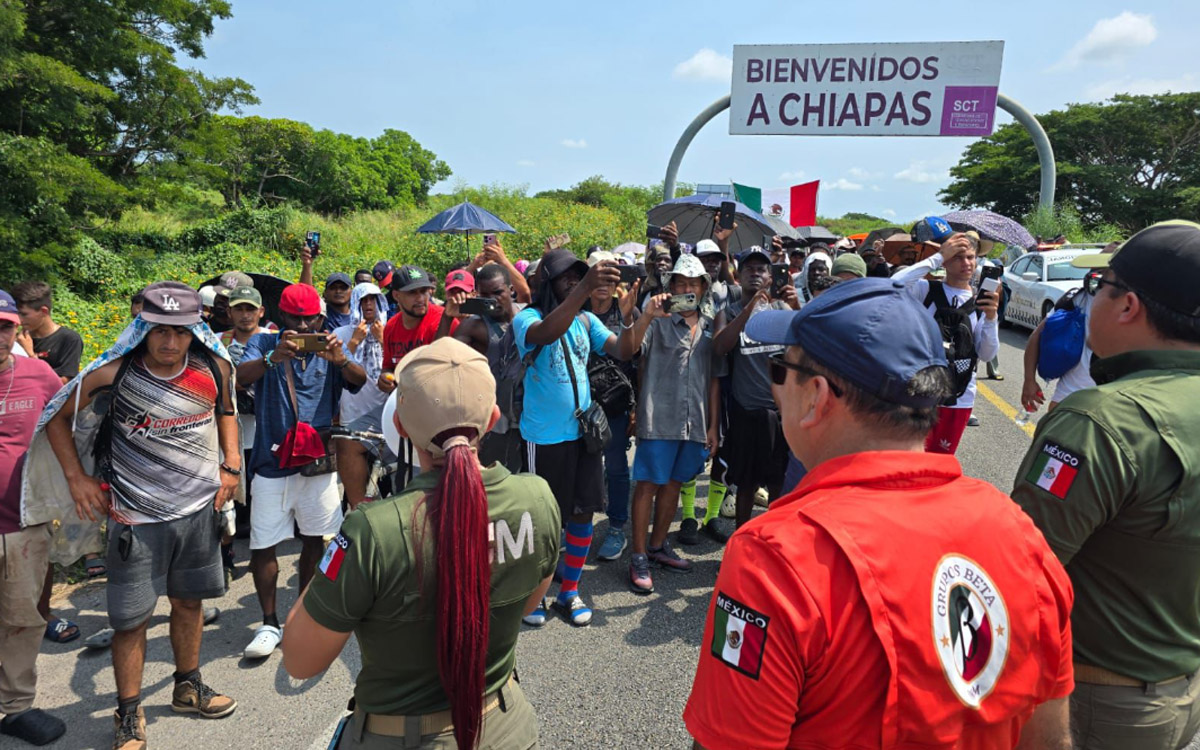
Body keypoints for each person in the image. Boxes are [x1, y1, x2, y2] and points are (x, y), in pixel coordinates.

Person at [685, 278, 1074, 749]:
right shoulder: (1018, 531)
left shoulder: (775, 556)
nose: (775, 385)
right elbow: (1049, 734)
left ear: (817, 397)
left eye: (779, 368)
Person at [281, 338, 559, 749]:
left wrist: (346, 542)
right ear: (493, 417)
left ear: (399, 426)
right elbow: (528, 603)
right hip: (506, 726)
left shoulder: (371, 531)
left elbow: (300, 661)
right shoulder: (538, 497)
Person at [1012, 221, 1200, 749]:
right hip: (1180, 685)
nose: (1091, 297)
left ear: (1128, 306)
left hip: (1094, 697)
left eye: (1100, 284)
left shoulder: (1099, 419)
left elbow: (1022, 572)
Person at [43, 282, 241, 750]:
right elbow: (56, 417)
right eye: (159, 331)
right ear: (142, 327)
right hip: (135, 519)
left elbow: (226, 412)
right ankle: (129, 712)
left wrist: (231, 463)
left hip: (198, 511)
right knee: (131, 621)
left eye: (181, 331)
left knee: (189, 603)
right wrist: (76, 478)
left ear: (196, 330)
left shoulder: (214, 367)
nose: (170, 342)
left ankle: (187, 687)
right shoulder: (113, 373)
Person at [236, 283, 367, 660]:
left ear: (321, 317)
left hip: (317, 464)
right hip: (271, 460)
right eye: (296, 318)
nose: (305, 325)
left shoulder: (330, 346)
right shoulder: (264, 343)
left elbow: (359, 380)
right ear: (281, 317)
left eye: (311, 318)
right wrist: (273, 357)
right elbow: (240, 377)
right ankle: (268, 622)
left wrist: (340, 360)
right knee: (263, 543)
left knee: (315, 538)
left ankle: (302, 614)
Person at [513, 248, 643, 626]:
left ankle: (569, 591)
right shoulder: (528, 318)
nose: (575, 281)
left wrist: (644, 316)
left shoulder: (586, 320)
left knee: (582, 511)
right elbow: (546, 333)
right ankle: (535, 595)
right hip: (543, 438)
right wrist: (585, 288)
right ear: (547, 282)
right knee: (544, 519)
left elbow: (623, 349)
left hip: (583, 433)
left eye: (579, 275)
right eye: (567, 277)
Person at [626, 254, 722, 594]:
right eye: (680, 283)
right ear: (671, 286)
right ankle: (638, 555)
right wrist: (645, 314)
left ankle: (657, 546)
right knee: (648, 485)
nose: (685, 289)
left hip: (695, 421)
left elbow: (713, 379)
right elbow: (631, 349)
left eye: (692, 283)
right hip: (659, 416)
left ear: (704, 288)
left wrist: (713, 426)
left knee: (674, 484)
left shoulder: (710, 325)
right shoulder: (658, 320)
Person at [0, 290, 68, 747]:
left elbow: (69, 426)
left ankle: (16, 707)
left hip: (23, 523)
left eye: (4, 326)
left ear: (17, 328)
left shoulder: (38, 374)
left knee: (22, 619)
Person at [11, 281, 88, 642]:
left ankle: (43, 614)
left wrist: (28, 355)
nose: (14, 327)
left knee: (38, 541)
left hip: (40, 456)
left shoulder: (63, 341)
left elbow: (61, 397)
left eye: (15, 319)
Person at [712, 248, 798, 530]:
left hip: (779, 413)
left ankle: (772, 537)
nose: (755, 274)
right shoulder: (728, 312)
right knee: (746, 484)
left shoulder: (781, 310)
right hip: (746, 411)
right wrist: (749, 309)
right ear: (738, 275)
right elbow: (719, 347)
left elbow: (808, 343)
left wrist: (797, 306)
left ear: (771, 277)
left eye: (761, 269)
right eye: (749, 268)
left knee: (778, 483)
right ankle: (741, 537)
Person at [891, 233, 1000, 454]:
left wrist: (991, 318)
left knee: (940, 461)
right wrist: (938, 257)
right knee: (907, 459)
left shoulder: (981, 303)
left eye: (971, 257)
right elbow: (894, 283)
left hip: (959, 398)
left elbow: (987, 354)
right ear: (945, 261)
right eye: (957, 257)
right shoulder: (925, 290)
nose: (966, 263)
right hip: (918, 393)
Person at [582, 252, 639, 562]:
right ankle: (574, 524)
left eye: (610, 276)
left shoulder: (627, 309)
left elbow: (638, 360)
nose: (603, 283)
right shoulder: (574, 310)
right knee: (581, 466)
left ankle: (616, 527)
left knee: (616, 467)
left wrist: (635, 409)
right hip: (579, 405)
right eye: (597, 275)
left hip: (615, 405)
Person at [450, 264, 526, 473]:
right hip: (495, 421)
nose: (492, 300)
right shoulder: (474, 325)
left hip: (530, 416)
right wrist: (448, 316)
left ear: (511, 290)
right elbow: (444, 356)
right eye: (485, 295)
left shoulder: (527, 316)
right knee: (496, 478)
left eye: (498, 292)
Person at [217, 286, 272, 578]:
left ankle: (261, 554)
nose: (245, 314)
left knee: (262, 493)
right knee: (227, 494)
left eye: (250, 308)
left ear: (261, 312)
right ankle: (225, 556)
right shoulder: (216, 341)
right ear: (230, 312)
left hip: (265, 427)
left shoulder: (273, 338)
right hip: (229, 429)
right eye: (239, 308)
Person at [333, 282, 392, 509]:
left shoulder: (391, 329)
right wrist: (355, 341)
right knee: (356, 487)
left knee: (386, 483)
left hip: (384, 413)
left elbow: (398, 364)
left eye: (373, 300)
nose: (368, 305)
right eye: (363, 301)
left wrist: (382, 339)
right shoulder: (341, 333)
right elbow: (337, 370)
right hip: (354, 413)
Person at [11, 281, 83, 386]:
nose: (19, 319)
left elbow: (65, 383)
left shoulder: (69, 339)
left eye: (24, 314)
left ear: (44, 311)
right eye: (16, 314)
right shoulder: (17, 339)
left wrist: (30, 355)